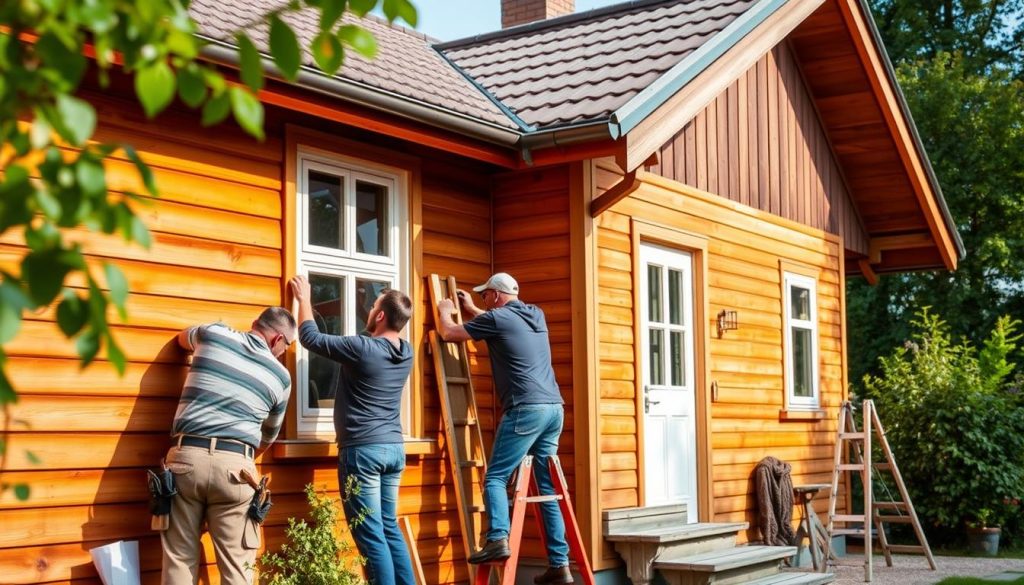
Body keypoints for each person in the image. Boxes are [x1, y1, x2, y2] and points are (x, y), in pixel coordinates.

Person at [436, 272, 572, 585]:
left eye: (485, 295)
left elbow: (450, 333)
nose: (483, 299)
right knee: (546, 489)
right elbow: (501, 324)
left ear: (497, 296)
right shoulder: (535, 314)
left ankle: (498, 537)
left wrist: (446, 311)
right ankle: (560, 564)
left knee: (496, 477)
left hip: (526, 409)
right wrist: (474, 310)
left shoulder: (498, 318)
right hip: (554, 410)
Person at [289, 275, 417, 585]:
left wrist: (304, 298)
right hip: (393, 449)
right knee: (388, 527)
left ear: (382, 315)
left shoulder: (362, 348)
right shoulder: (406, 352)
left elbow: (311, 338)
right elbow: (377, 331)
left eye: (373, 307)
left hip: (363, 452)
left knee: (371, 535)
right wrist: (368, 309)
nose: (369, 311)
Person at [161, 307, 296, 585]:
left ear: (255, 324)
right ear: (276, 340)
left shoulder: (214, 334)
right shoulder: (281, 378)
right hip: (237, 469)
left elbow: (181, 339)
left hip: (186, 460)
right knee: (237, 568)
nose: (285, 352)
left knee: (179, 558)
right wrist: (238, 460)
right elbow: (268, 436)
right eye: (288, 345)